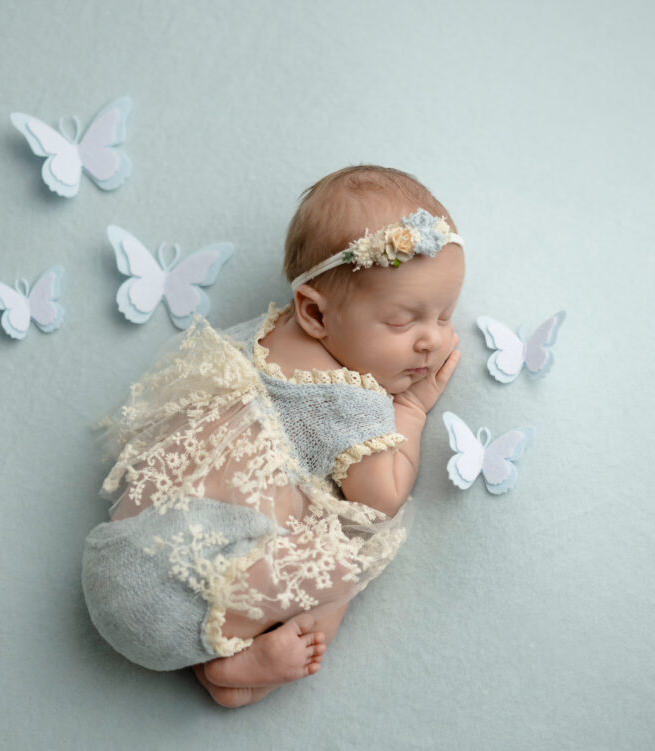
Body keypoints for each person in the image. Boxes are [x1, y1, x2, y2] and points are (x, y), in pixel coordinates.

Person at [83, 165, 465, 708]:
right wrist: (411, 411)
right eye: (405, 322)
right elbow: (379, 497)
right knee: (348, 555)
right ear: (314, 312)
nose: (433, 340)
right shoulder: (346, 398)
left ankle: (226, 658)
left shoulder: (261, 334)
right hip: (195, 590)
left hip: (128, 560)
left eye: (445, 315)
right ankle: (236, 675)